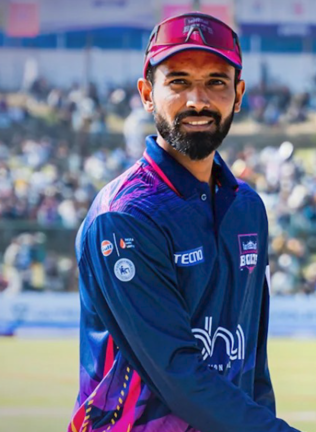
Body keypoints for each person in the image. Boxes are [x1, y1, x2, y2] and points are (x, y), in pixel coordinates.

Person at [69, 12, 300, 432]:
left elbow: (252, 365)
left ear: (238, 94)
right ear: (147, 94)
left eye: (216, 82)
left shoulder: (247, 207)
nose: (198, 100)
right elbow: (178, 374)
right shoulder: (123, 217)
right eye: (178, 82)